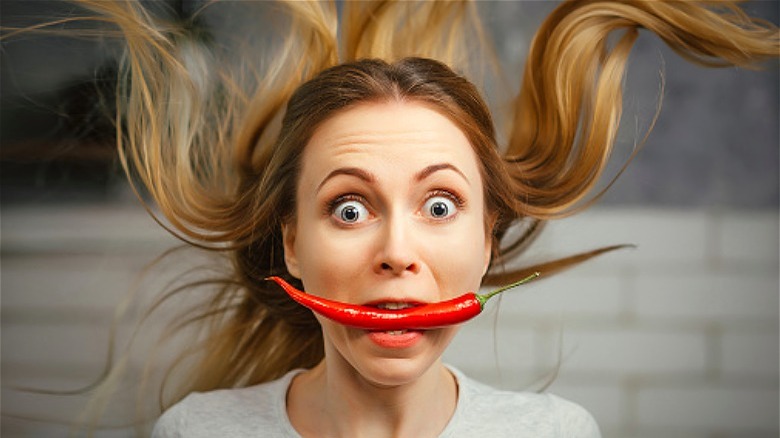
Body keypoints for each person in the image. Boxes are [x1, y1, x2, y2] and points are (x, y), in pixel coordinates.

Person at [44, 0, 776, 436]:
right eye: (350, 207)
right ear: (292, 243)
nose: (398, 252)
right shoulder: (198, 432)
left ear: (486, 239)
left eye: (439, 205)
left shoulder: (554, 434)